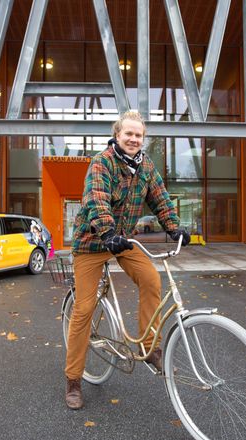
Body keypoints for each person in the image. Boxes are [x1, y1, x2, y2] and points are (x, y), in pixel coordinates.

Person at [64, 111, 189, 410]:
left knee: (151, 280)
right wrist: (106, 231)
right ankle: (73, 379)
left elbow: (160, 198)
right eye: (128, 134)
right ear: (117, 135)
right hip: (93, 241)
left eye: (139, 135)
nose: (133, 139)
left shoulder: (145, 167)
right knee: (84, 308)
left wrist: (173, 226)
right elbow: (97, 200)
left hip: (123, 241)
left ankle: (150, 349)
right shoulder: (101, 162)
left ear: (143, 139)